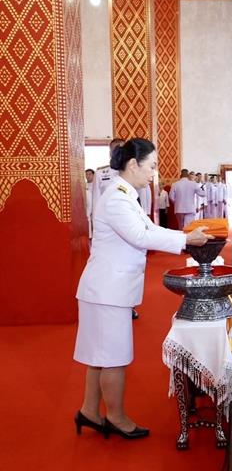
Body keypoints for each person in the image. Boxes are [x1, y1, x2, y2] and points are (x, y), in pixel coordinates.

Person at [74, 138, 210, 439]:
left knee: (100, 356)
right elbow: (139, 236)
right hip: (107, 291)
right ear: (133, 164)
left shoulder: (124, 193)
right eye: (151, 166)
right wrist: (186, 241)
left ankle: (89, 411)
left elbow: (149, 229)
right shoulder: (117, 198)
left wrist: (183, 234)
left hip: (105, 289)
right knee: (113, 358)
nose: (153, 172)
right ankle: (117, 418)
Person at [92, 138, 125, 218]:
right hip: (107, 217)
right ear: (110, 153)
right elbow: (96, 199)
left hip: (127, 215)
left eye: (121, 150)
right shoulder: (100, 174)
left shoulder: (133, 172)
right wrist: (95, 219)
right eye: (114, 150)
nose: (118, 153)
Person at [85, 169, 95, 238]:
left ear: (93, 175)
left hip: (95, 207)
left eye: (89, 174)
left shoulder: (96, 185)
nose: (88, 176)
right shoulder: (84, 185)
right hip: (87, 207)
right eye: (86, 174)